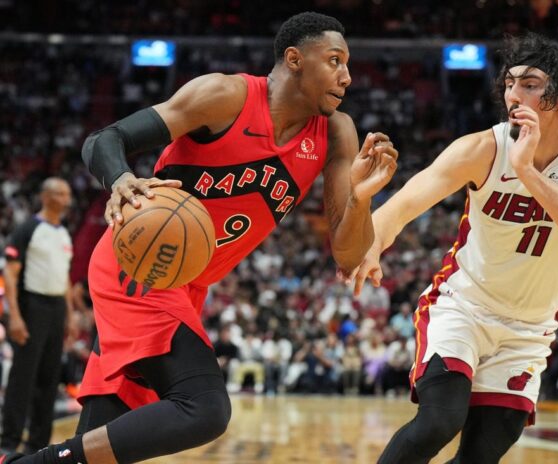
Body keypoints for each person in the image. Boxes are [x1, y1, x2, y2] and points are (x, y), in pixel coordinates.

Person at [0, 11, 398, 464]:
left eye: (348, 65)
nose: (347, 77)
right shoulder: (224, 97)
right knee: (205, 408)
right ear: (294, 59)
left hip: (186, 285)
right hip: (139, 267)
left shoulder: (336, 132)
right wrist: (122, 180)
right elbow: (104, 140)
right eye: (334, 61)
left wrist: (361, 197)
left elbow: (347, 254)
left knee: (101, 440)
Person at [351, 32, 558, 463]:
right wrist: (369, 243)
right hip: (463, 308)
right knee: (440, 420)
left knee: (481, 454)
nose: (515, 94)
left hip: (528, 330)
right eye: (510, 84)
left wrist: (527, 172)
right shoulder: (482, 148)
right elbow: (402, 206)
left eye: (530, 84)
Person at [1, 178, 77, 455]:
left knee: (50, 377)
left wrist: (70, 315)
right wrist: (15, 316)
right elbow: (10, 274)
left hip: (56, 308)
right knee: (23, 377)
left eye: (68, 193)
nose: (66, 199)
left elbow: (65, 278)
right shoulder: (28, 229)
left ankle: (38, 443)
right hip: (32, 306)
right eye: (60, 193)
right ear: (45, 196)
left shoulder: (63, 233)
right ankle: (9, 442)